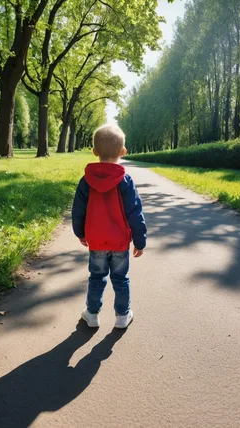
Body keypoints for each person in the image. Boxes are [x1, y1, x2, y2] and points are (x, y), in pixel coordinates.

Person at [72, 124, 147, 329]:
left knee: (96, 277)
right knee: (120, 279)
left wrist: (80, 232)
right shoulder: (125, 181)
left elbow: (78, 210)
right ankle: (122, 316)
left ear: (94, 152)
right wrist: (140, 241)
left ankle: (92, 314)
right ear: (123, 152)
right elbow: (135, 213)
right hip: (120, 241)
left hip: (96, 241)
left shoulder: (86, 181)